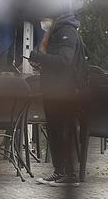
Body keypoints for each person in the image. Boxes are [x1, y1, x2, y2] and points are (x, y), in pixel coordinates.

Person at [30, 13, 86, 187]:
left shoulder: (67, 31)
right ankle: (59, 171)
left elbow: (65, 60)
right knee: (54, 130)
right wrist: (40, 62)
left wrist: (39, 58)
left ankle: (69, 174)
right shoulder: (55, 32)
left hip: (63, 90)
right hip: (53, 89)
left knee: (62, 130)